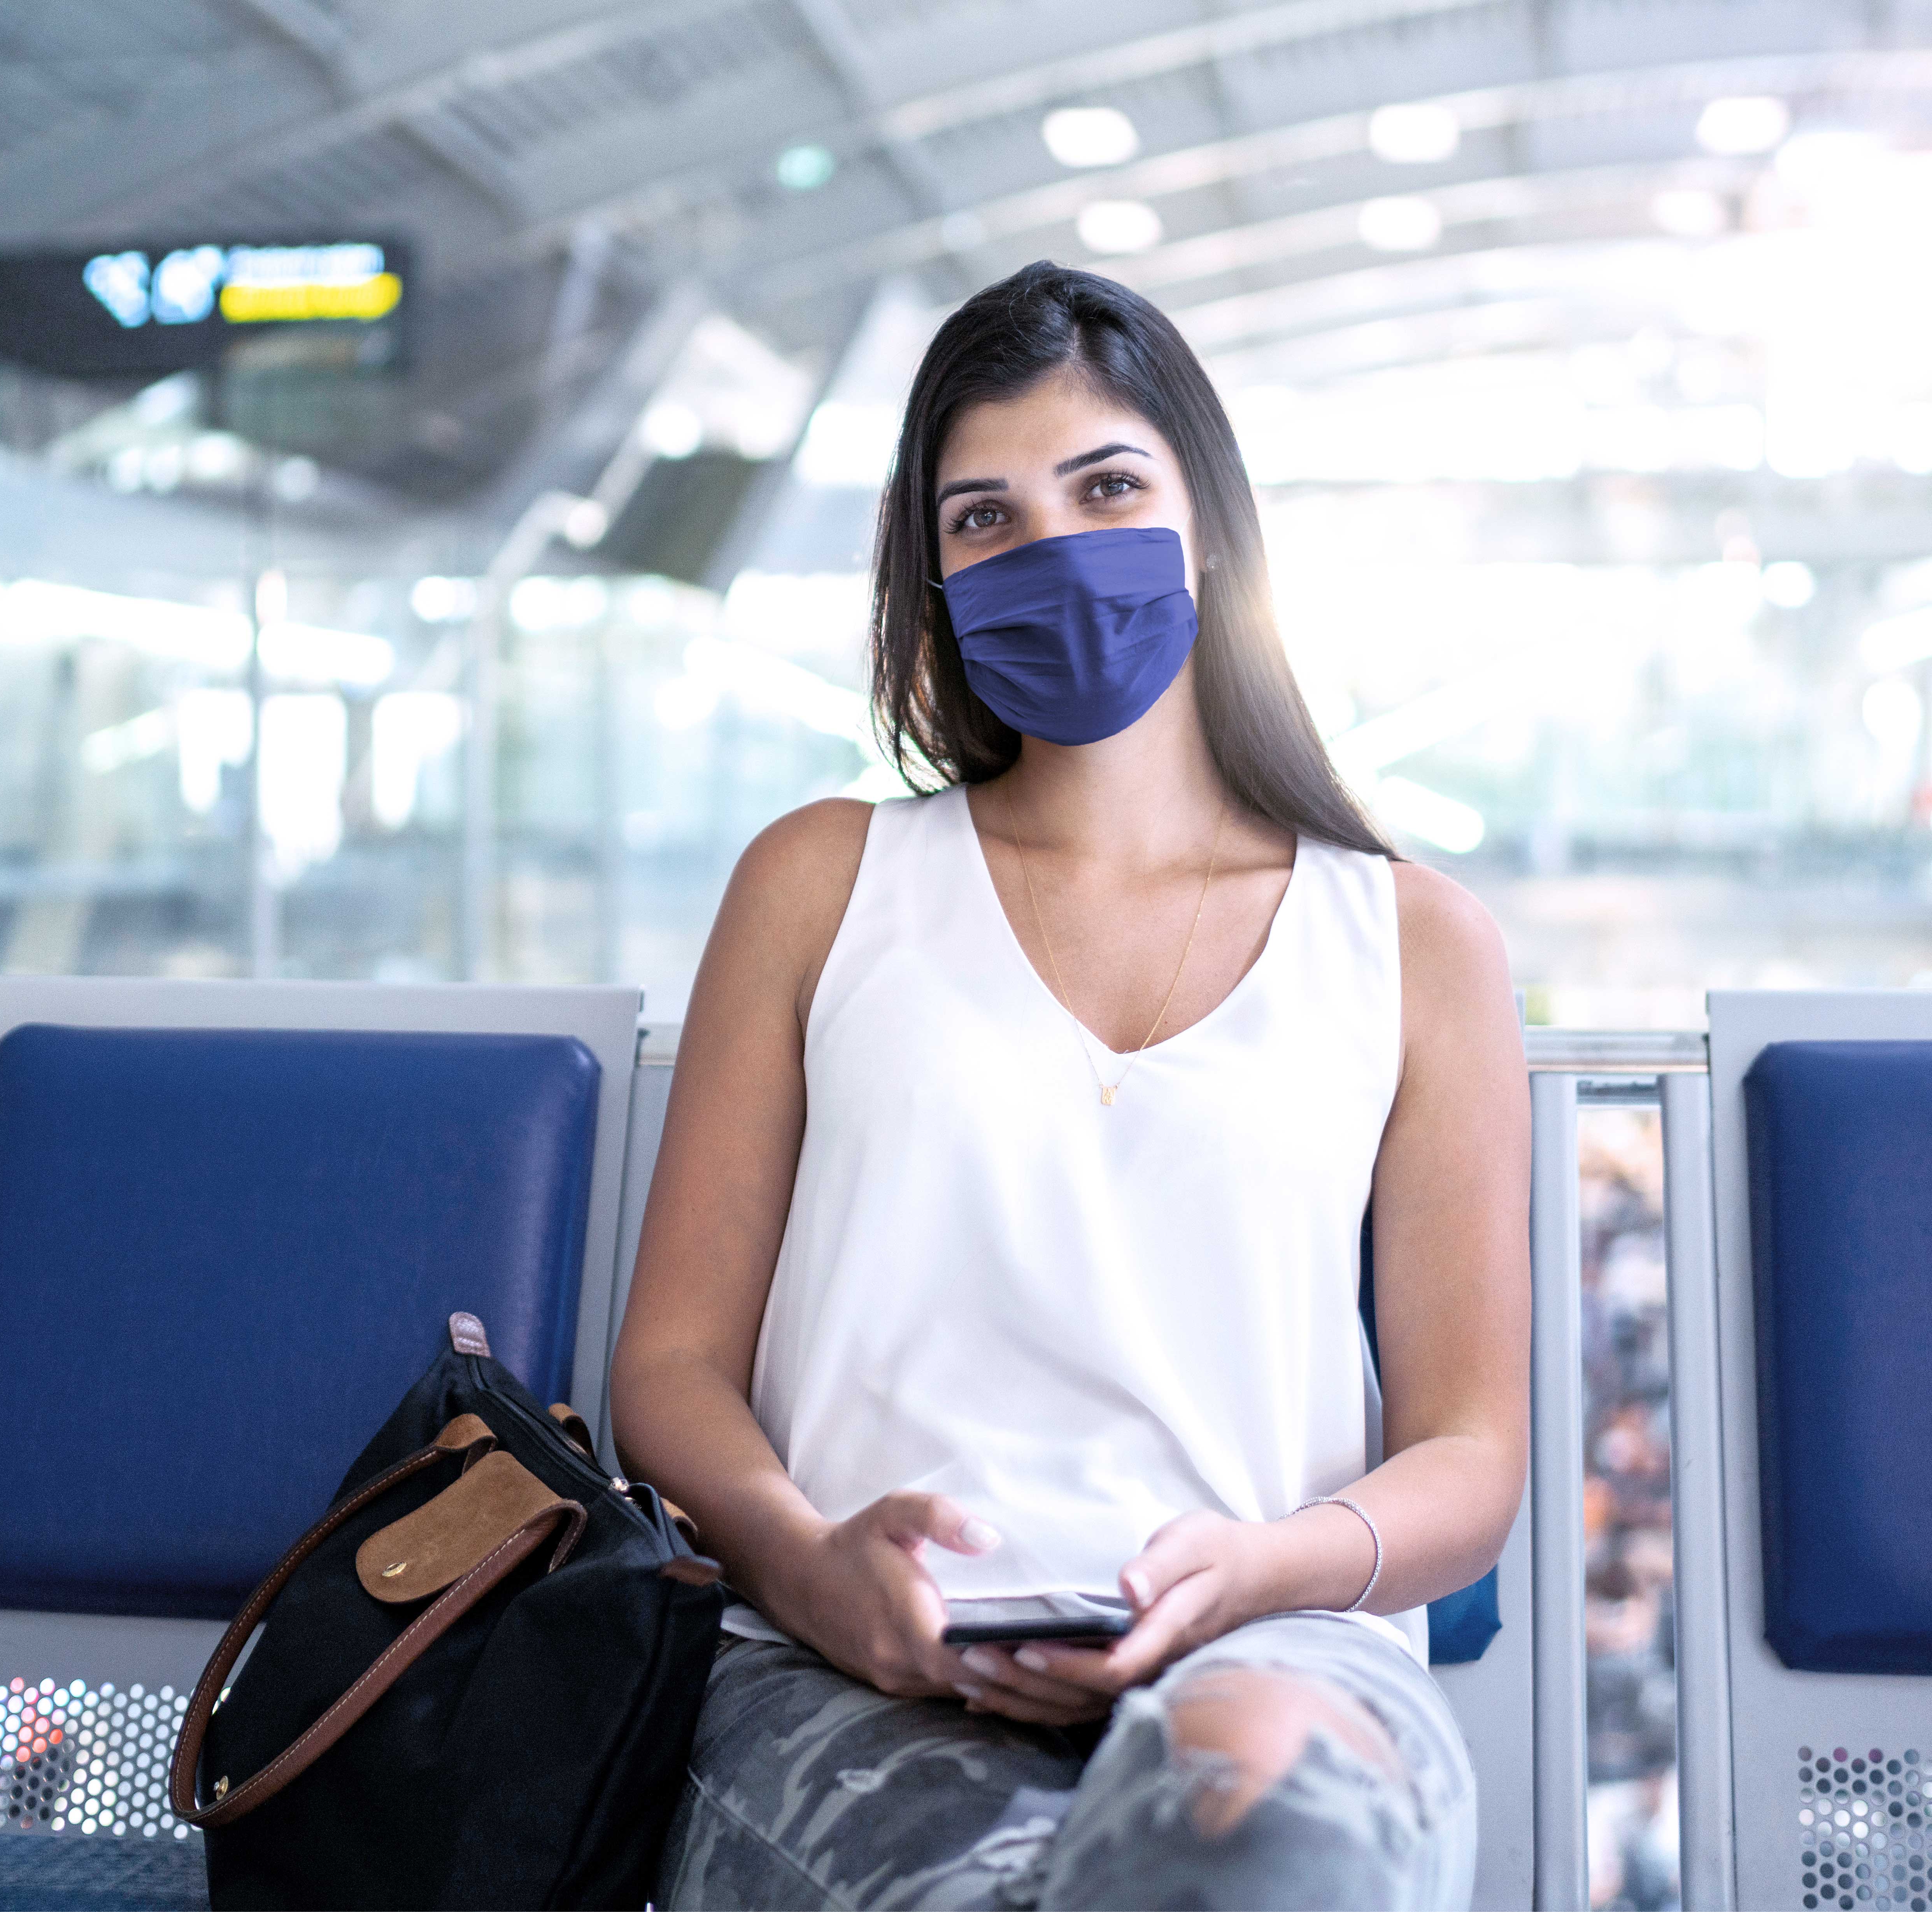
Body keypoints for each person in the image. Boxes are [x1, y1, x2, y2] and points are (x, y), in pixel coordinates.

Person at [610, 259, 1531, 1911]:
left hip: (1280, 1636)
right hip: (851, 1656)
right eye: (986, 517)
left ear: (1210, 524)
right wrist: (811, 1570)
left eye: (1106, 488)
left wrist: (1263, 1568)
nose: (1052, 550)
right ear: (933, 581)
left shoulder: (1413, 941)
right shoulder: (821, 883)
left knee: (1268, 1860)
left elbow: (1468, 1452)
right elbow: (674, 1367)